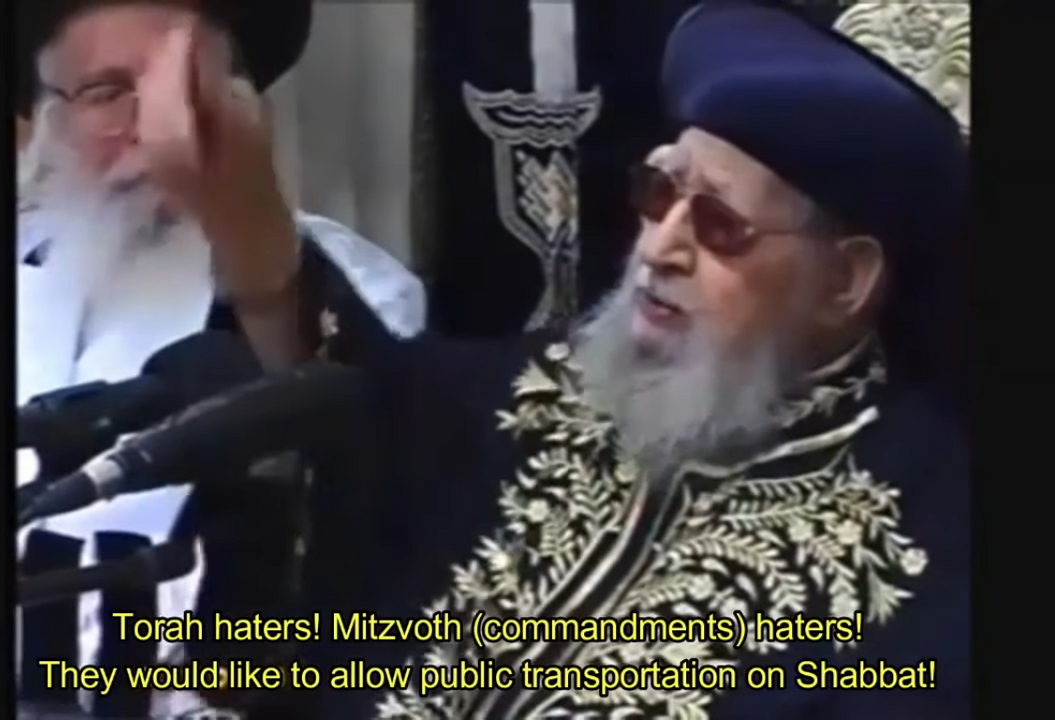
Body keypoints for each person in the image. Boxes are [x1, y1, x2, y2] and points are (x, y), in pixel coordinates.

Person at [283, 2, 969, 718]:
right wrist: (255, 233)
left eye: (720, 225)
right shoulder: (565, 376)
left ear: (845, 281)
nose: (660, 247)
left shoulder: (922, 558)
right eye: (660, 192)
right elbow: (385, 407)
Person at [13, 0, 424, 717]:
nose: (150, 128)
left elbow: (358, 493)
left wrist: (251, 241)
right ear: (54, 116)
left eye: (180, 90)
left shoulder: (346, 284)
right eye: (107, 92)